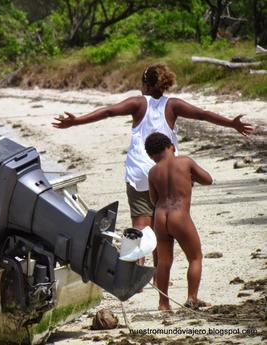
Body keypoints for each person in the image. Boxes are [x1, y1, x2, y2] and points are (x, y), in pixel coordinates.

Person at [52, 63, 253, 267]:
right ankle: (159, 275)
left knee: (140, 226)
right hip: (168, 173)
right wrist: (231, 124)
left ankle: (136, 274)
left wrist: (76, 121)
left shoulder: (138, 103)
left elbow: (109, 112)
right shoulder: (173, 105)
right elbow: (203, 114)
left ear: (146, 85)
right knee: (161, 229)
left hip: (140, 172)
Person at [145, 132, 212, 311]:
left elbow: (153, 199)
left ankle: (163, 303)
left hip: (160, 216)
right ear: (171, 146)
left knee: (164, 261)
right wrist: (191, 180)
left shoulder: (153, 171)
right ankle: (192, 298)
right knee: (195, 257)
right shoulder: (185, 161)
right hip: (179, 214)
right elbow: (208, 179)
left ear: (151, 156)